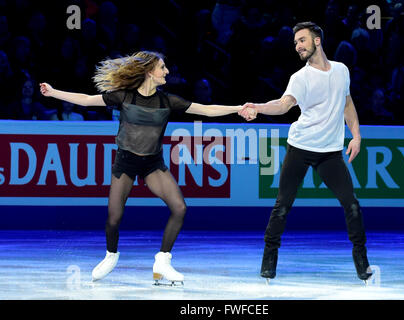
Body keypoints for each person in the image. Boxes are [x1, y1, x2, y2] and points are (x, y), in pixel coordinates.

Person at [40, 51, 248, 285]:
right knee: (114, 218)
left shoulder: (167, 101)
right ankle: (111, 255)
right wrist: (54, 92)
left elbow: (206, 109)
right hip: (125, 162)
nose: (167, 72)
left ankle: (162, 261)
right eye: (162, 68)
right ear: (150, 72)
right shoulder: (124, 97)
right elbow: (88, 99)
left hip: (152, 163)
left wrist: (239, 107)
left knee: (179, 208)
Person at [239, 22, 372, 283]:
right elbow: (284, 104)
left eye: (302, 40)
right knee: (282, 206)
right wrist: (259, 107)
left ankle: (362, 262)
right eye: (295, 43)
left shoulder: (342, 70)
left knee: (352, 205)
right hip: (300, 148)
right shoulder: (300, 78)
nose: (298, 46)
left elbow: (346, 102)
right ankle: (269, 259)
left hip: (330, 152)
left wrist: (356, 135)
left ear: (317, 40)